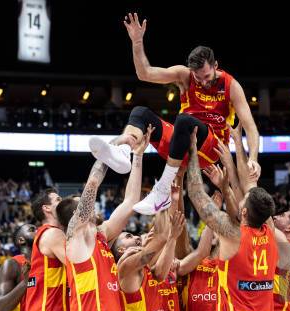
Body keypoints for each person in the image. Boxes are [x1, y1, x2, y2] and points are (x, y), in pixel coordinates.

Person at [90, 12, 261, 216]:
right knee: (140, 112)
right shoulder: (184, 75)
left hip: (210, 147)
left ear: (215, 66)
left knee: (185, 120)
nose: (203, 82)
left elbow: (250, 127)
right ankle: (125, 150)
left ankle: (162, 190)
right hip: (181, 139)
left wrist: (253, 158)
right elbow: (145, 73)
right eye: (198, 78)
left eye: (207, 76)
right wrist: (137, 42)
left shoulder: (231, 85)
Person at [186, 129, 290, 311]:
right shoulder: (272, 234)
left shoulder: (233, 236)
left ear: (244, 213)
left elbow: (198, 196)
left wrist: (192, 154)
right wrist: (233, 158)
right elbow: (247, 196)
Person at [55, 126, 150, 311]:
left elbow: (131, 201)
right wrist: (113, 145)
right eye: (82, 206)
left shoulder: (99, 238)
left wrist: (138, 155)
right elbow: (90, 190)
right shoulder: (76, 242)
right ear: (75, 216)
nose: (93, 207)